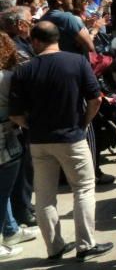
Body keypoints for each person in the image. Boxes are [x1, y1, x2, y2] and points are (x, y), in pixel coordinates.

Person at [8, 21, 113, 262]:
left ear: (35, 41)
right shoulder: (76, 62)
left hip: (39, 141)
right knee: (84, 189)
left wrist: (32, 126)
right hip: (72, 137)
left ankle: (54, 248)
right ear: (57, 38)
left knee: (44, 197)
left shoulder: (24, 70)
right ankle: (86, 244)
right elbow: (95, 99)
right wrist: (84, 123)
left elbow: (15, 113)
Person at [0, 33, 33, 259]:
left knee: (5, 190)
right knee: (3, 192)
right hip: (6, 136)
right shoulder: (7, 77)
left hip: (7, 134)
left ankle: (10, 230)